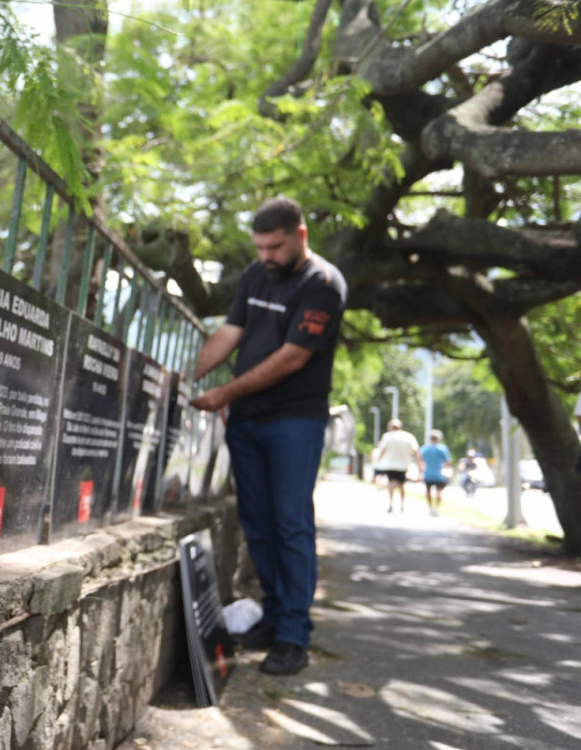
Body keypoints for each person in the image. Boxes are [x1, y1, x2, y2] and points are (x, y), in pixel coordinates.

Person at [191, 197, 347, 676]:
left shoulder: (322, 283)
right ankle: (274, 615)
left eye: (275, 246)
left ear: (299, 235)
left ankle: (294, 636)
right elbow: (230, 333)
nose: (265, 256)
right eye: (259, 247)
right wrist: (185, 376)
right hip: (247, 422)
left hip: (294, 422)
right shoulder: (255, 276)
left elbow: (291, 357)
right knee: (256, 522)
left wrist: (224, 394)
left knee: (290, 523)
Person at [374, 419, 421, 512]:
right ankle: (402, 504)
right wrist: (419, 463)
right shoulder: (408, 436)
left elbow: (382, 450)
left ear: (390, 427)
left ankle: (391, 503)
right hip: (403, 465)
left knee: (391, 483)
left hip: (390, 464)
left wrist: (378, 460)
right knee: (402, 484)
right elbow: (416, 451)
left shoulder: (387, 436)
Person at [419, 429, 451, 515]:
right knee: (439, 492)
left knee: (428, 491)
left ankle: (430, 508)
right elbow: (447, 462)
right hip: (439, 474)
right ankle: (436, 509)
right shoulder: (443, 449)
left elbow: (420, 461)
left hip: (428, 473)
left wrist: (420, 472)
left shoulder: (424, 448)